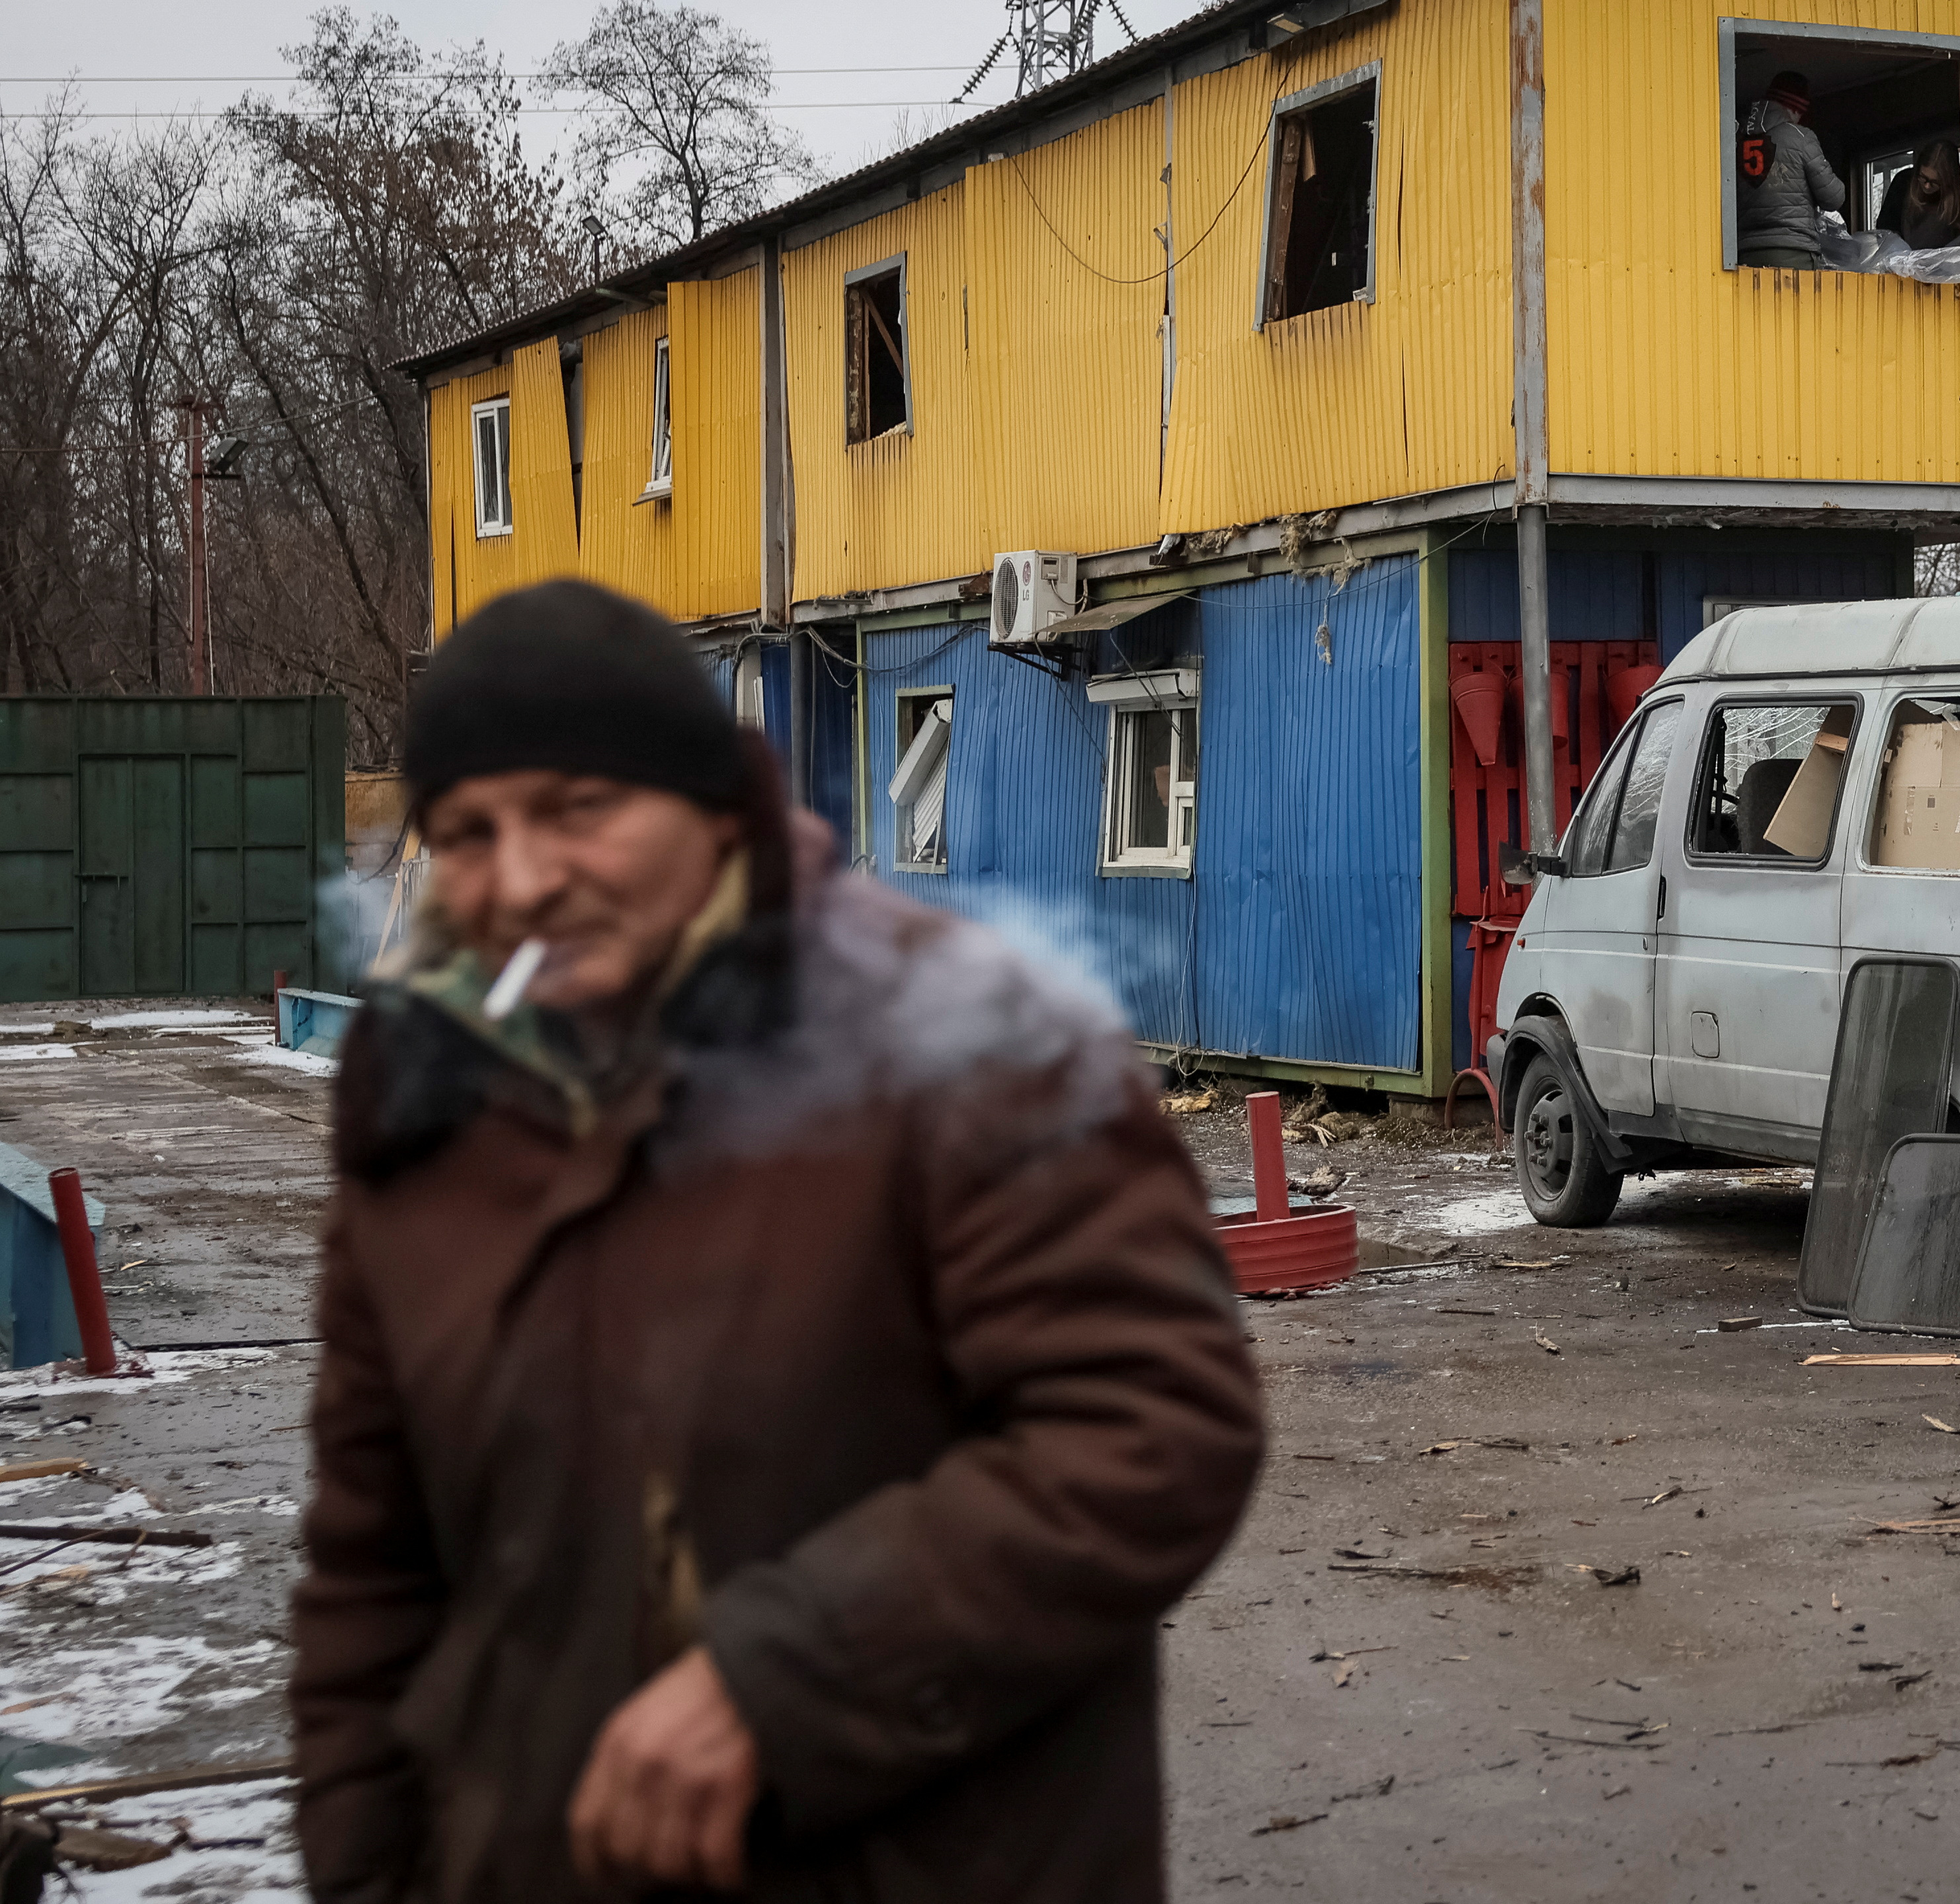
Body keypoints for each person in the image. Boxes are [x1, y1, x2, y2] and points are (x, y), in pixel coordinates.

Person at [290, 579, 1265, 1903]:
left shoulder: (963, 1038)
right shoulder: (428, 1111)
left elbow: (1152, 1427)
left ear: (711, 808)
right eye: (468, 833)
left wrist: (790, 1680)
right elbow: (370, 1571)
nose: (522, 879)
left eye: (580, 810)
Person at [1734, 69, 1846, 269]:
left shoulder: (1737, 138)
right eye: (1800, 113)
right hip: (1794, 251)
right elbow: (1833, 198)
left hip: (1746, 253)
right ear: (1794, 108)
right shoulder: (1801, 137)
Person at [1879, 140, 1960, 251]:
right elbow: (1885, 231)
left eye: (1935, 182)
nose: (1927, 186)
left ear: (1948, 182)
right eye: (1923, 177)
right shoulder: (1904, 183)